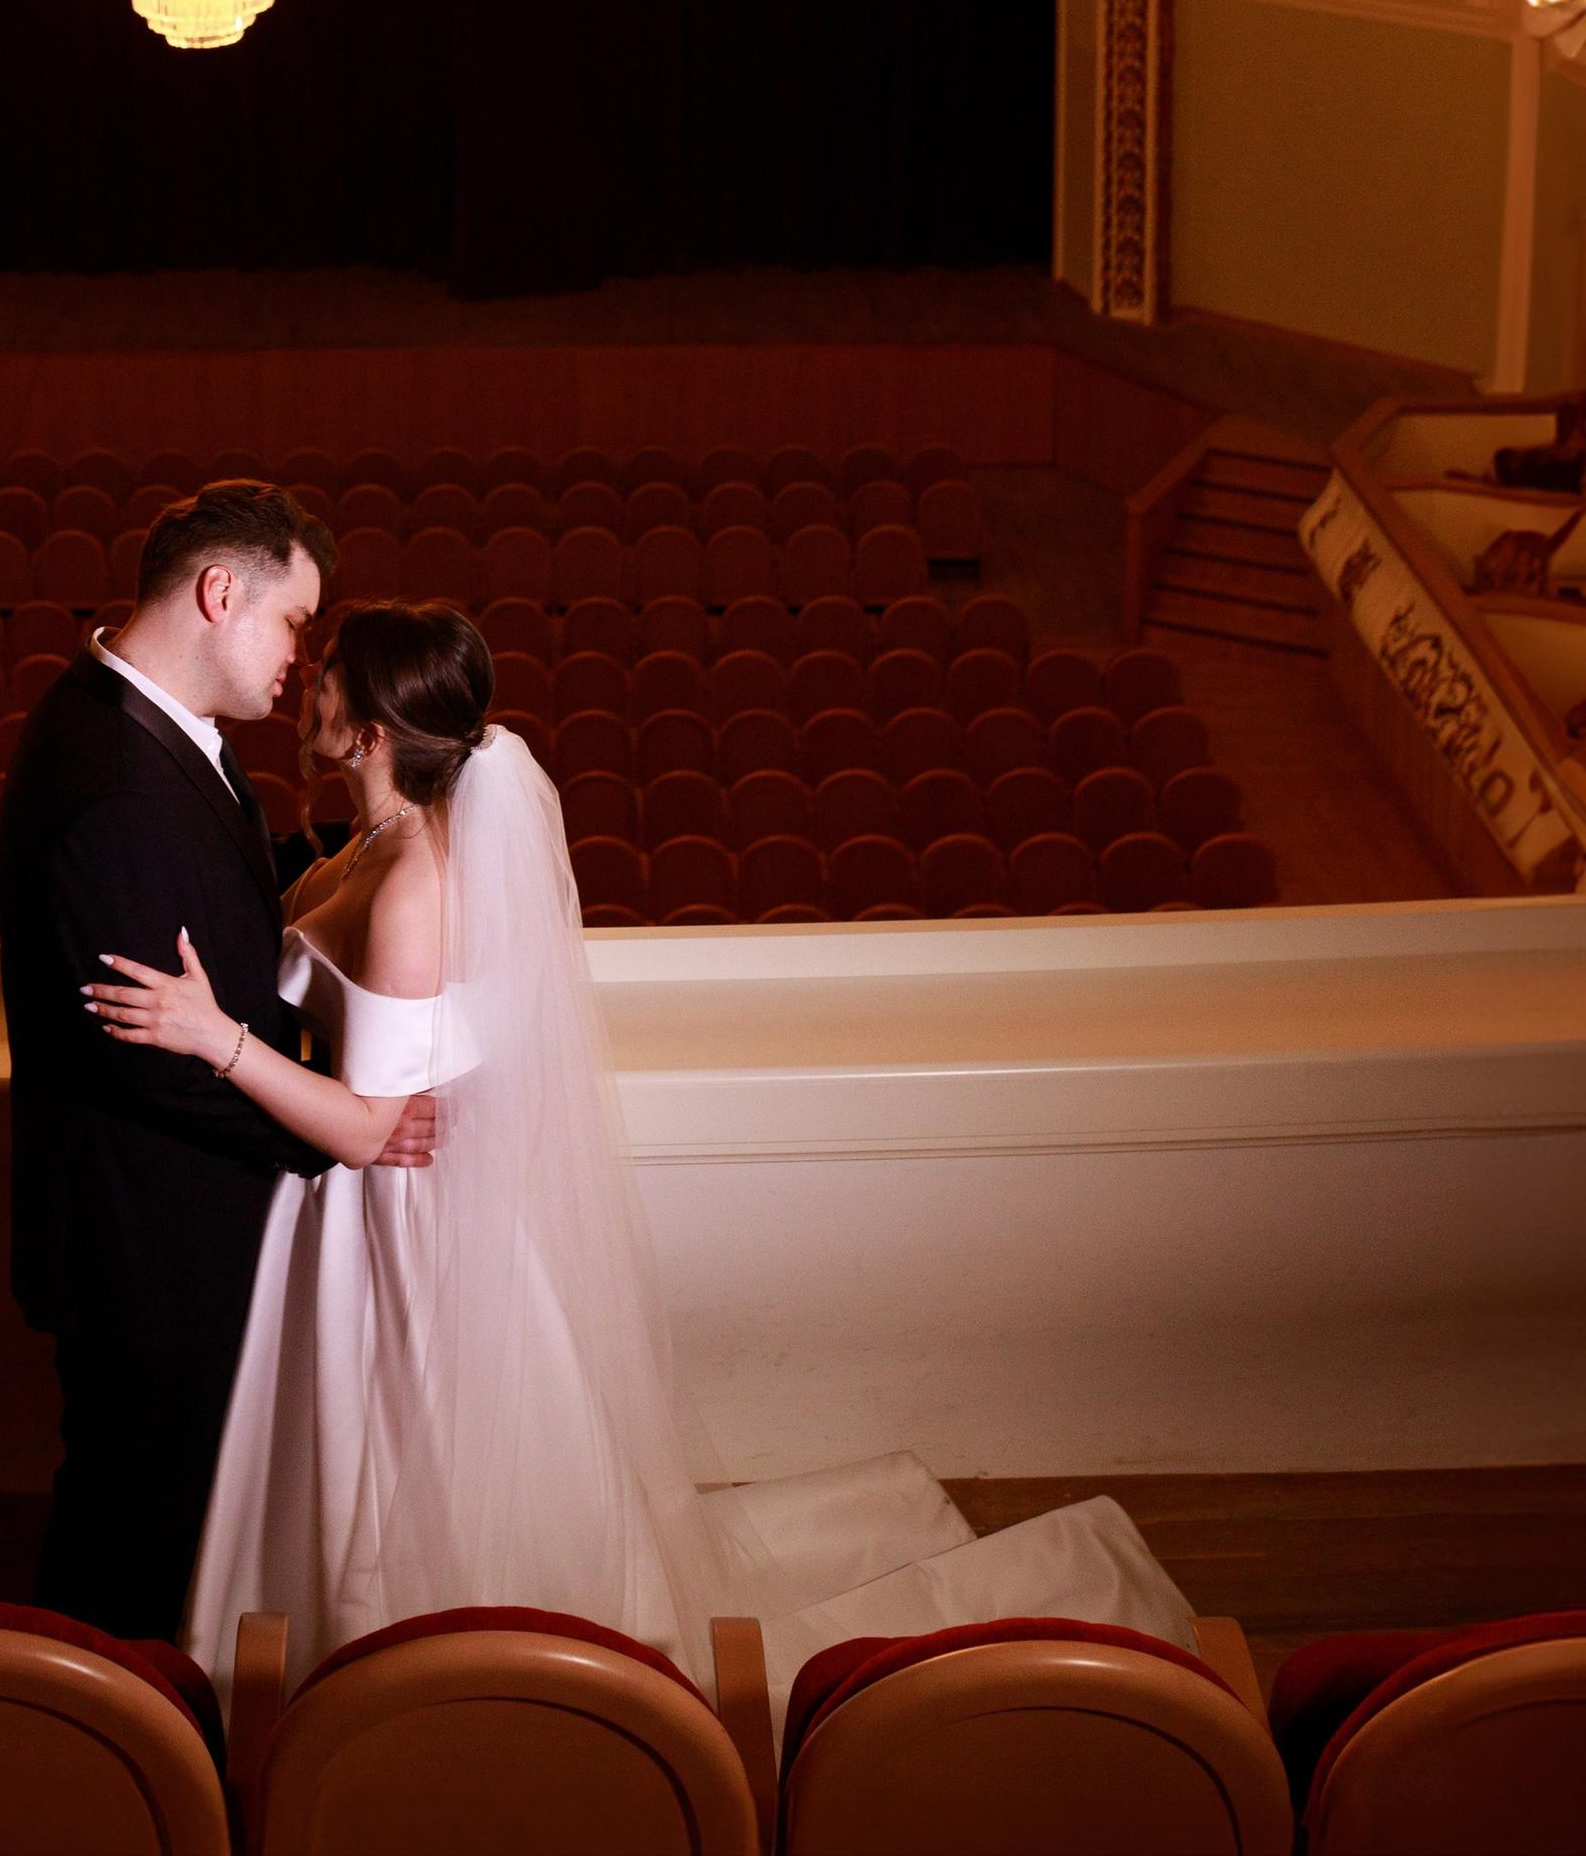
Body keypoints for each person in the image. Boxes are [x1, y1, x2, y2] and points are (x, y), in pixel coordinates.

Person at [89, 600, 1201, 1729]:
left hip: (400, 1231)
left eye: (326, 674)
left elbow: (375, 1130)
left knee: (403, 1487)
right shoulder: (372, 844)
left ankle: (430, 1699)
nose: (304, 683)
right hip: (367, 1215)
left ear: (371, 735)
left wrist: (209, 1035)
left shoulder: (416, 886)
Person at [0, 481, 435, 1643]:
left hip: (168, 1227)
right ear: (218, 590)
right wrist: (342, 1125)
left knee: (169, 1525)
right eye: (294, 620)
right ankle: (88, 1753)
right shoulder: (114, 784)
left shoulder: (144, 728)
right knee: (127, 1543)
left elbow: (230, 898)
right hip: (150, 1242)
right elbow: (149, 1060)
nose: (303, 651)